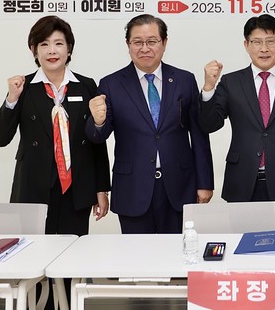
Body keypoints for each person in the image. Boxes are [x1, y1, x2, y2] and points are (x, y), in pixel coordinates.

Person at [85, 14, 213, 234]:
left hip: (179, 185)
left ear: (164, 43)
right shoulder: (111, 84)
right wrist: (97, 122)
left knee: (177, 252)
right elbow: (97, 137)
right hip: (133, 187)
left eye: (152, 41)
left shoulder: (184, 80)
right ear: (128, 45)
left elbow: (199, 134)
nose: (145, 48)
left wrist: (205, 182)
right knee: (136, 254)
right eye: (138, 42)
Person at [199, 14, 275, 233]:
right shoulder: (231, 82)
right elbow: (209, 125)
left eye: (271, 41)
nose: (264, 48)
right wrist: (209, 88)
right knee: (244, 248)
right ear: (246, 45)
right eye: (256, 42)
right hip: (243, 183)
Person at [0, 15, 110, 236]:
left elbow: (96, 142)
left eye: (58, 43)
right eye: (44, 44)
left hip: (76, 188)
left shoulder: (86, 86)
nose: (52, 51)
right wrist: (11, 99)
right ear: (34, 50)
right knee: (34, 251)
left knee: (73, 250)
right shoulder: (23, 87)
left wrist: (101, 188)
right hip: (33, 188)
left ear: (69, 49)